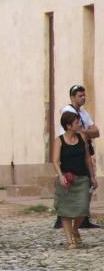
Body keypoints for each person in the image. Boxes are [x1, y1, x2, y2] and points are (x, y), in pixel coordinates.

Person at [54, 84, 101, 230]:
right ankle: (63, 219)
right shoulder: (68, 112)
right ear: (72, 97)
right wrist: (85, 132)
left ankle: (82, 218)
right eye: (80, 95)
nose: (83, 98)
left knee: (86, 188)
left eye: (84, 95)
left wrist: (83, 132)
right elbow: (74, 133)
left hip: (83, 152)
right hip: (71, 153)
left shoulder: (84, 113)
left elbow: (96, 131)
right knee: (69, 188)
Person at [53, 110, 98, 248]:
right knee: (65, 211)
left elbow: (87, 158)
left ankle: (75, 229)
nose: (79, 125)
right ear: (68, 125)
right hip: (67, 180)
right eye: (77, 123)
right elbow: (55, 161)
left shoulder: (82, 138)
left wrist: (92, 176)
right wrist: (60, 176)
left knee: (83, 208)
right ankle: (70, 241)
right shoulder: (59, 141)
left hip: (82, 178)